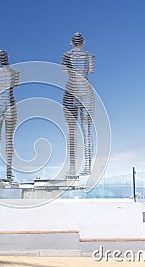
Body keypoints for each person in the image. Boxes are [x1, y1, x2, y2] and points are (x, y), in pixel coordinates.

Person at [62, 33, 95, 176]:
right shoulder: (90, 57)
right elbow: (92, 70)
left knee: (72, 132)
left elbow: (65, 70)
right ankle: (87, 167)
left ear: (71, 42)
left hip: (71, 91)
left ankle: (72, 168)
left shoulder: (66, 56)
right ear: (83, 42)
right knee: (87, 131)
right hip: (86, 92)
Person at [0, 50, 20, 182]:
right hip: (9, 105)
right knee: (6, 139)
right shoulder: (15, 74)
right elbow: (16, 85)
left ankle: (2, 172)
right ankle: (3, 172)